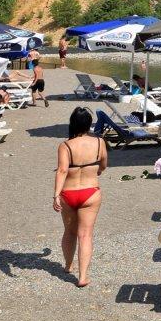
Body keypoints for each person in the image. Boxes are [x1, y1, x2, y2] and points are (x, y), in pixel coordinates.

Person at [53, 107, 106, 287]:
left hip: (69, 192)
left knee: (70, 232)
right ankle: (83, 277)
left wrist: (55, 195)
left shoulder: (66, 145)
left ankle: (68, 265)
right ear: (89, 124)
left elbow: (62, 170)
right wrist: (97, 170)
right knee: (86, 235)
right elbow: (103, 165)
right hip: (90, 192)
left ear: (72, 123)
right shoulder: (99, 142)